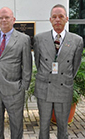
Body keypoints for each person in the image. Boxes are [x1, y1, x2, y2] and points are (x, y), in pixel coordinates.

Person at [33, 4, 84, 139]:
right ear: (50, 19)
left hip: (64, 88)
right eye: (54, 17)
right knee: (43, 127)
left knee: (63, 127)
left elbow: (75, 66)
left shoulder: (77, 40)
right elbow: (38, 63)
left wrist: (64, 78)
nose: (57, 20)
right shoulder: (39, 39)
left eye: (61, 16)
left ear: (66, 19)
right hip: (44, 88)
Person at [0, 7, 32, 139]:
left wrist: (23, 87)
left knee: (16, 125)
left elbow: (27, 66)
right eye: (1, 18)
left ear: (13, 20)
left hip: (14, 90)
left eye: (7, 17)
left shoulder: (23, 39)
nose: (4, 20)